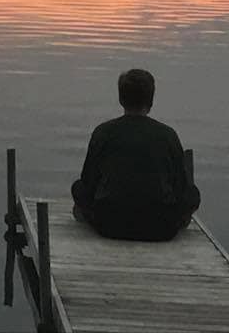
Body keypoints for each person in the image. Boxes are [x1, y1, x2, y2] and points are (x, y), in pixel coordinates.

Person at [71, 69, 200, 241]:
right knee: (192, 193)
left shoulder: (103, 132)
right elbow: (180, 188)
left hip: (110, 225)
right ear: (151, 101)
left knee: (77, 187)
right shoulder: (168, 135)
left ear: (120, 99)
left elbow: (88, 182)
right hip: (161, 227)